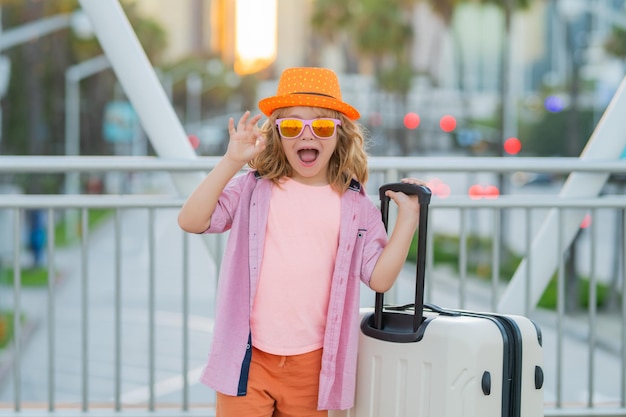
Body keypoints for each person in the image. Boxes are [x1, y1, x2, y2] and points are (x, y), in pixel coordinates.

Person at [178, 67, 422, 416]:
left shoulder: (356, 207)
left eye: (322, 126)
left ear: (340, 134)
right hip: (248, 360)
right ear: (277, 133)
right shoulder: (253, 188)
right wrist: (232, 161)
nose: (307, 135)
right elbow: (191, 220)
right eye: (292, 126)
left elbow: (380, 278)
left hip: (313, 366)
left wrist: (408, 219)